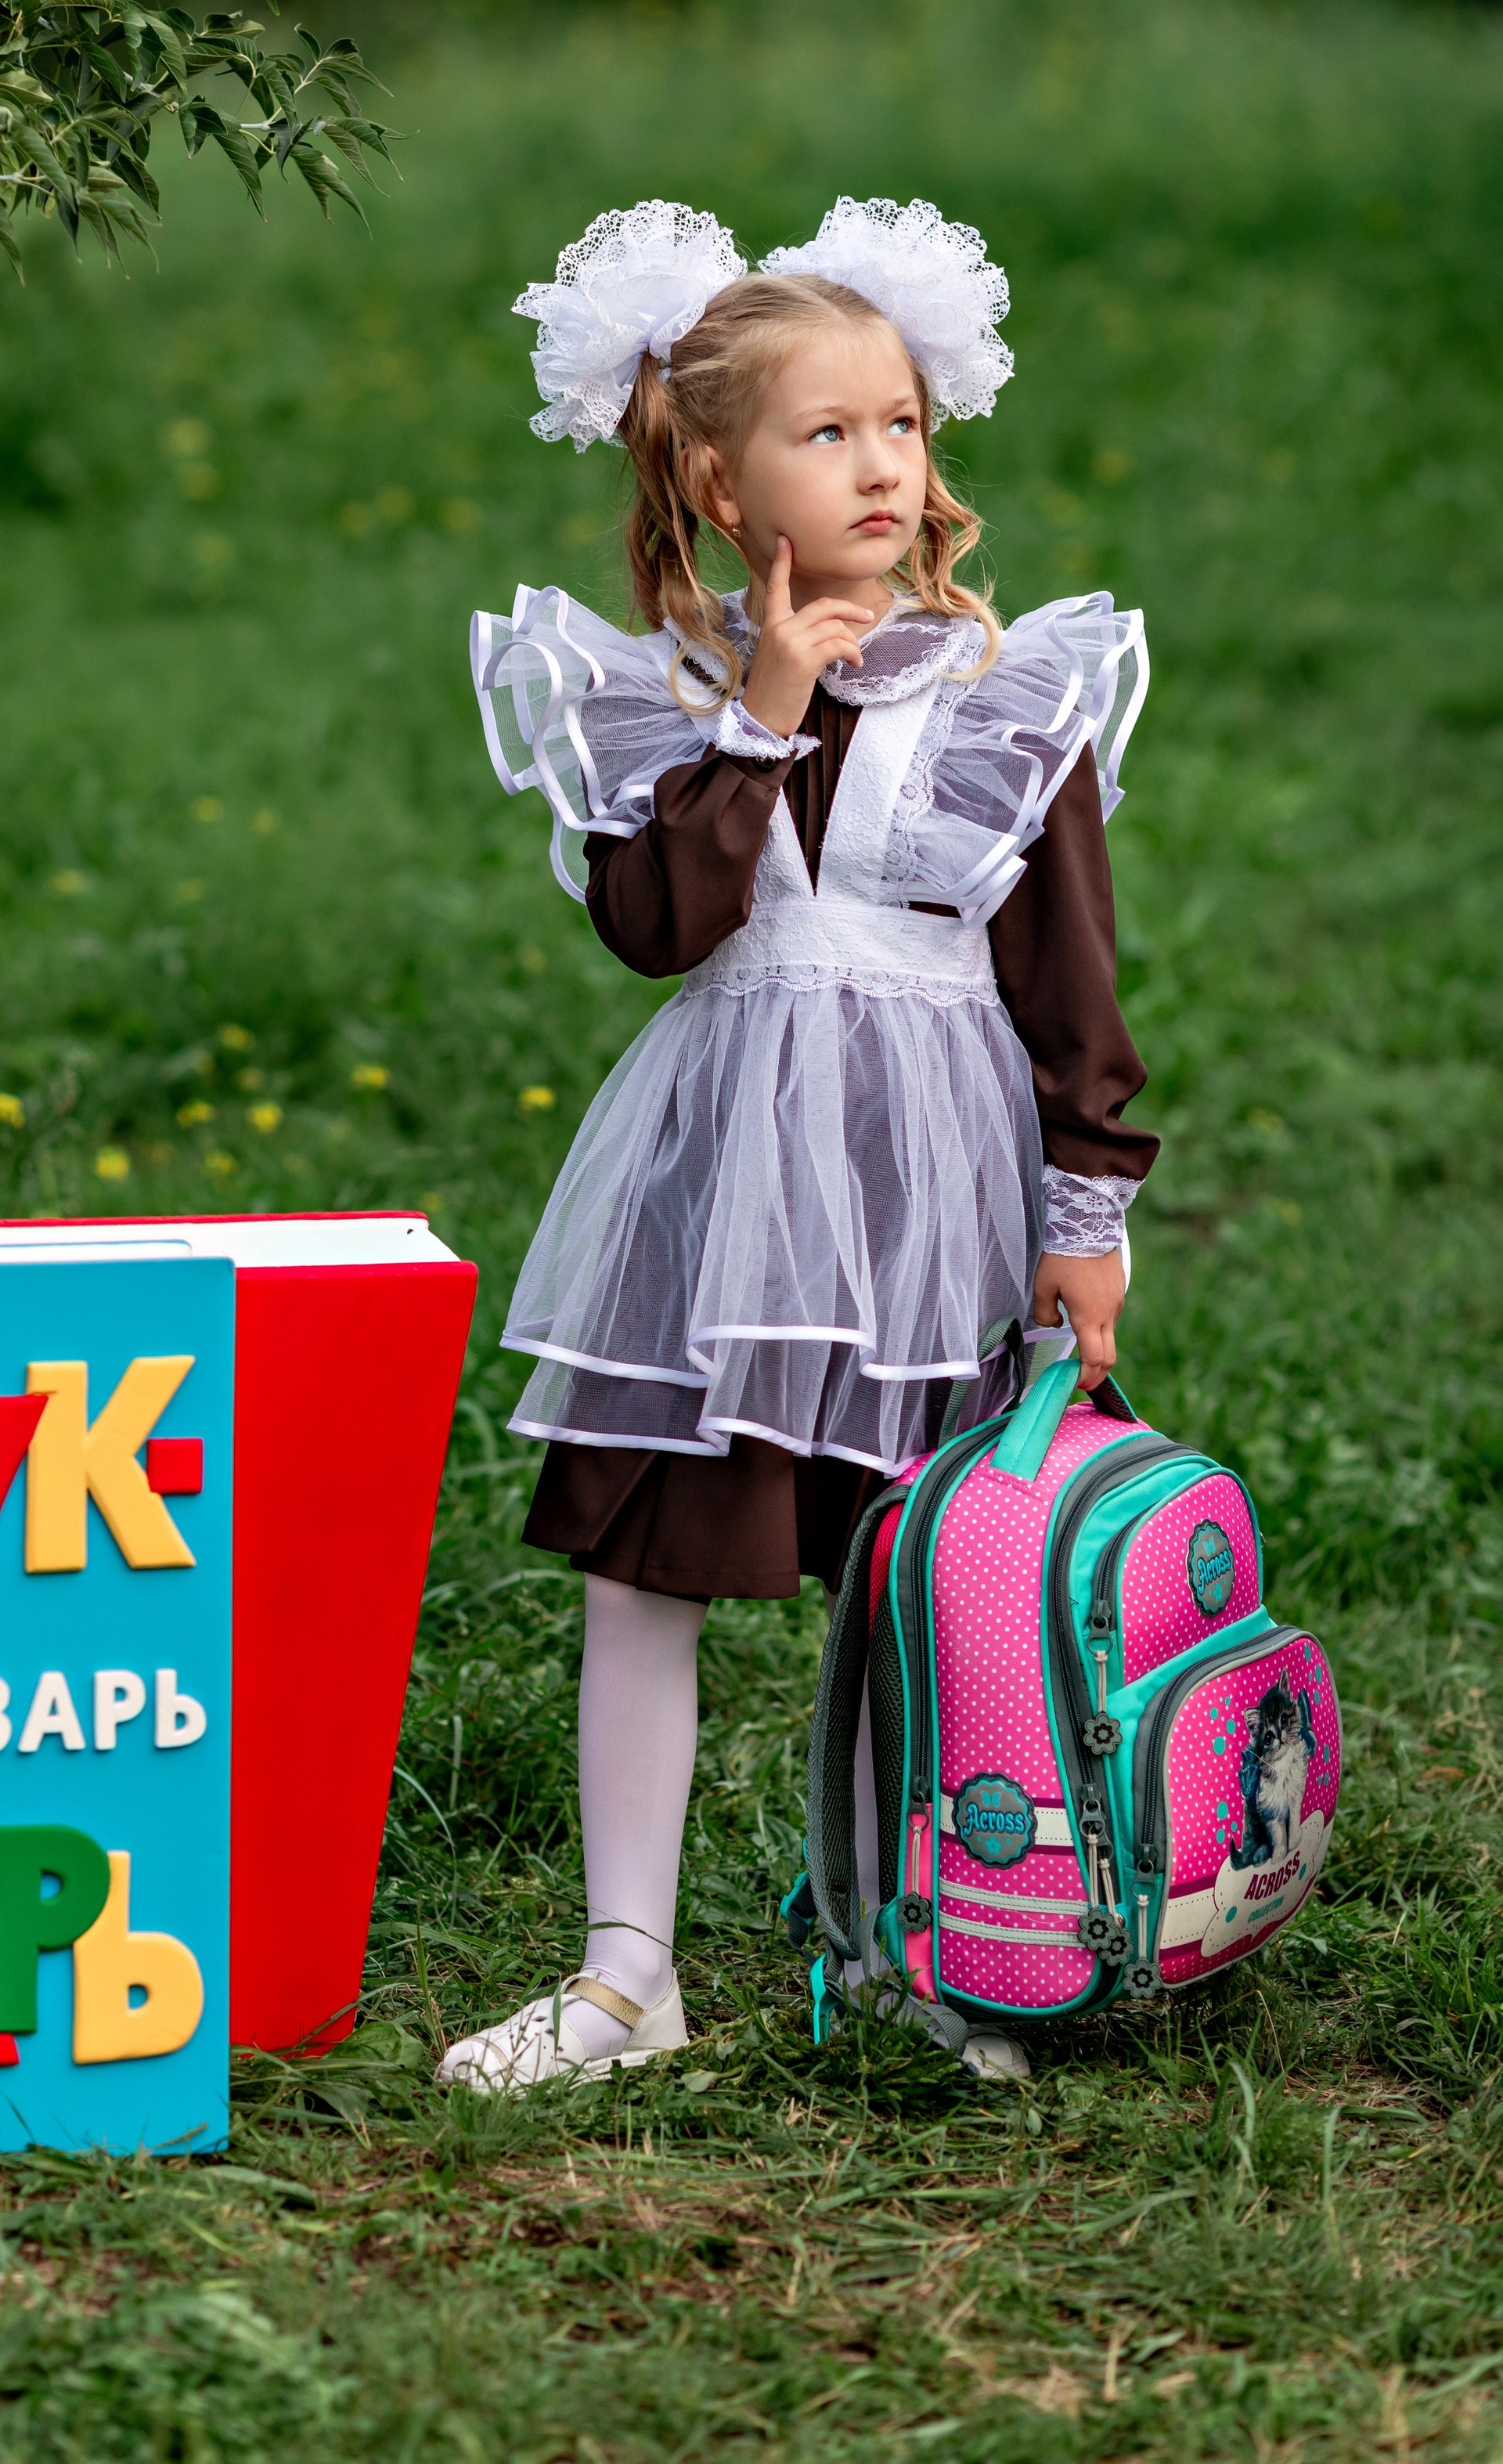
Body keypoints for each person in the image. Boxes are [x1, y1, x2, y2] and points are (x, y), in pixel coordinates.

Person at [445, 196, 1158, 2090]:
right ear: (713, 467)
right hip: (716, 1192)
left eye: (900, 426)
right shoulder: (664, 692)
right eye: (824, 430)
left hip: (930, 1197)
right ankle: (623, 1974)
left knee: (925, 1573)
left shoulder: (1004, 692)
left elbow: (1067, 977)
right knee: (640, 1557)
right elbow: (656, 929)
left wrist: (1083, 1203)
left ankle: (937, 1941)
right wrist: (763, 706)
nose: (876, 465)